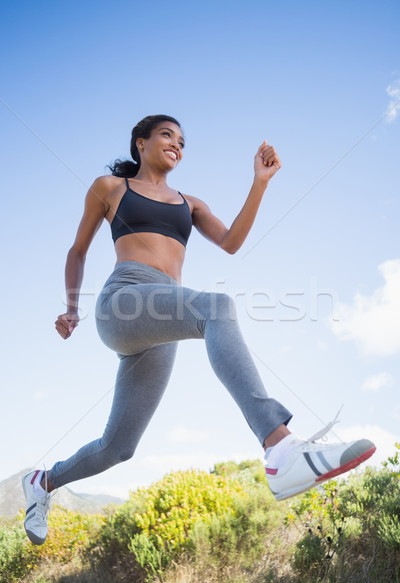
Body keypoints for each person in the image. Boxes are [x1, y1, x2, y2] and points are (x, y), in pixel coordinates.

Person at [22, 114, 375, 545]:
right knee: (217, 306)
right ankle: (280, 446)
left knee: (119, 446)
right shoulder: (111, 187)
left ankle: (43, 482)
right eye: (167, 135)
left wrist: (259, 182)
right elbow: (77, 250)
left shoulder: (190, 203)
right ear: (140, 143)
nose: (176, 144)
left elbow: (230, 243)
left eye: (182, 141)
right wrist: (71, 308)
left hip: (163, 316)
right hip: (126, 299)